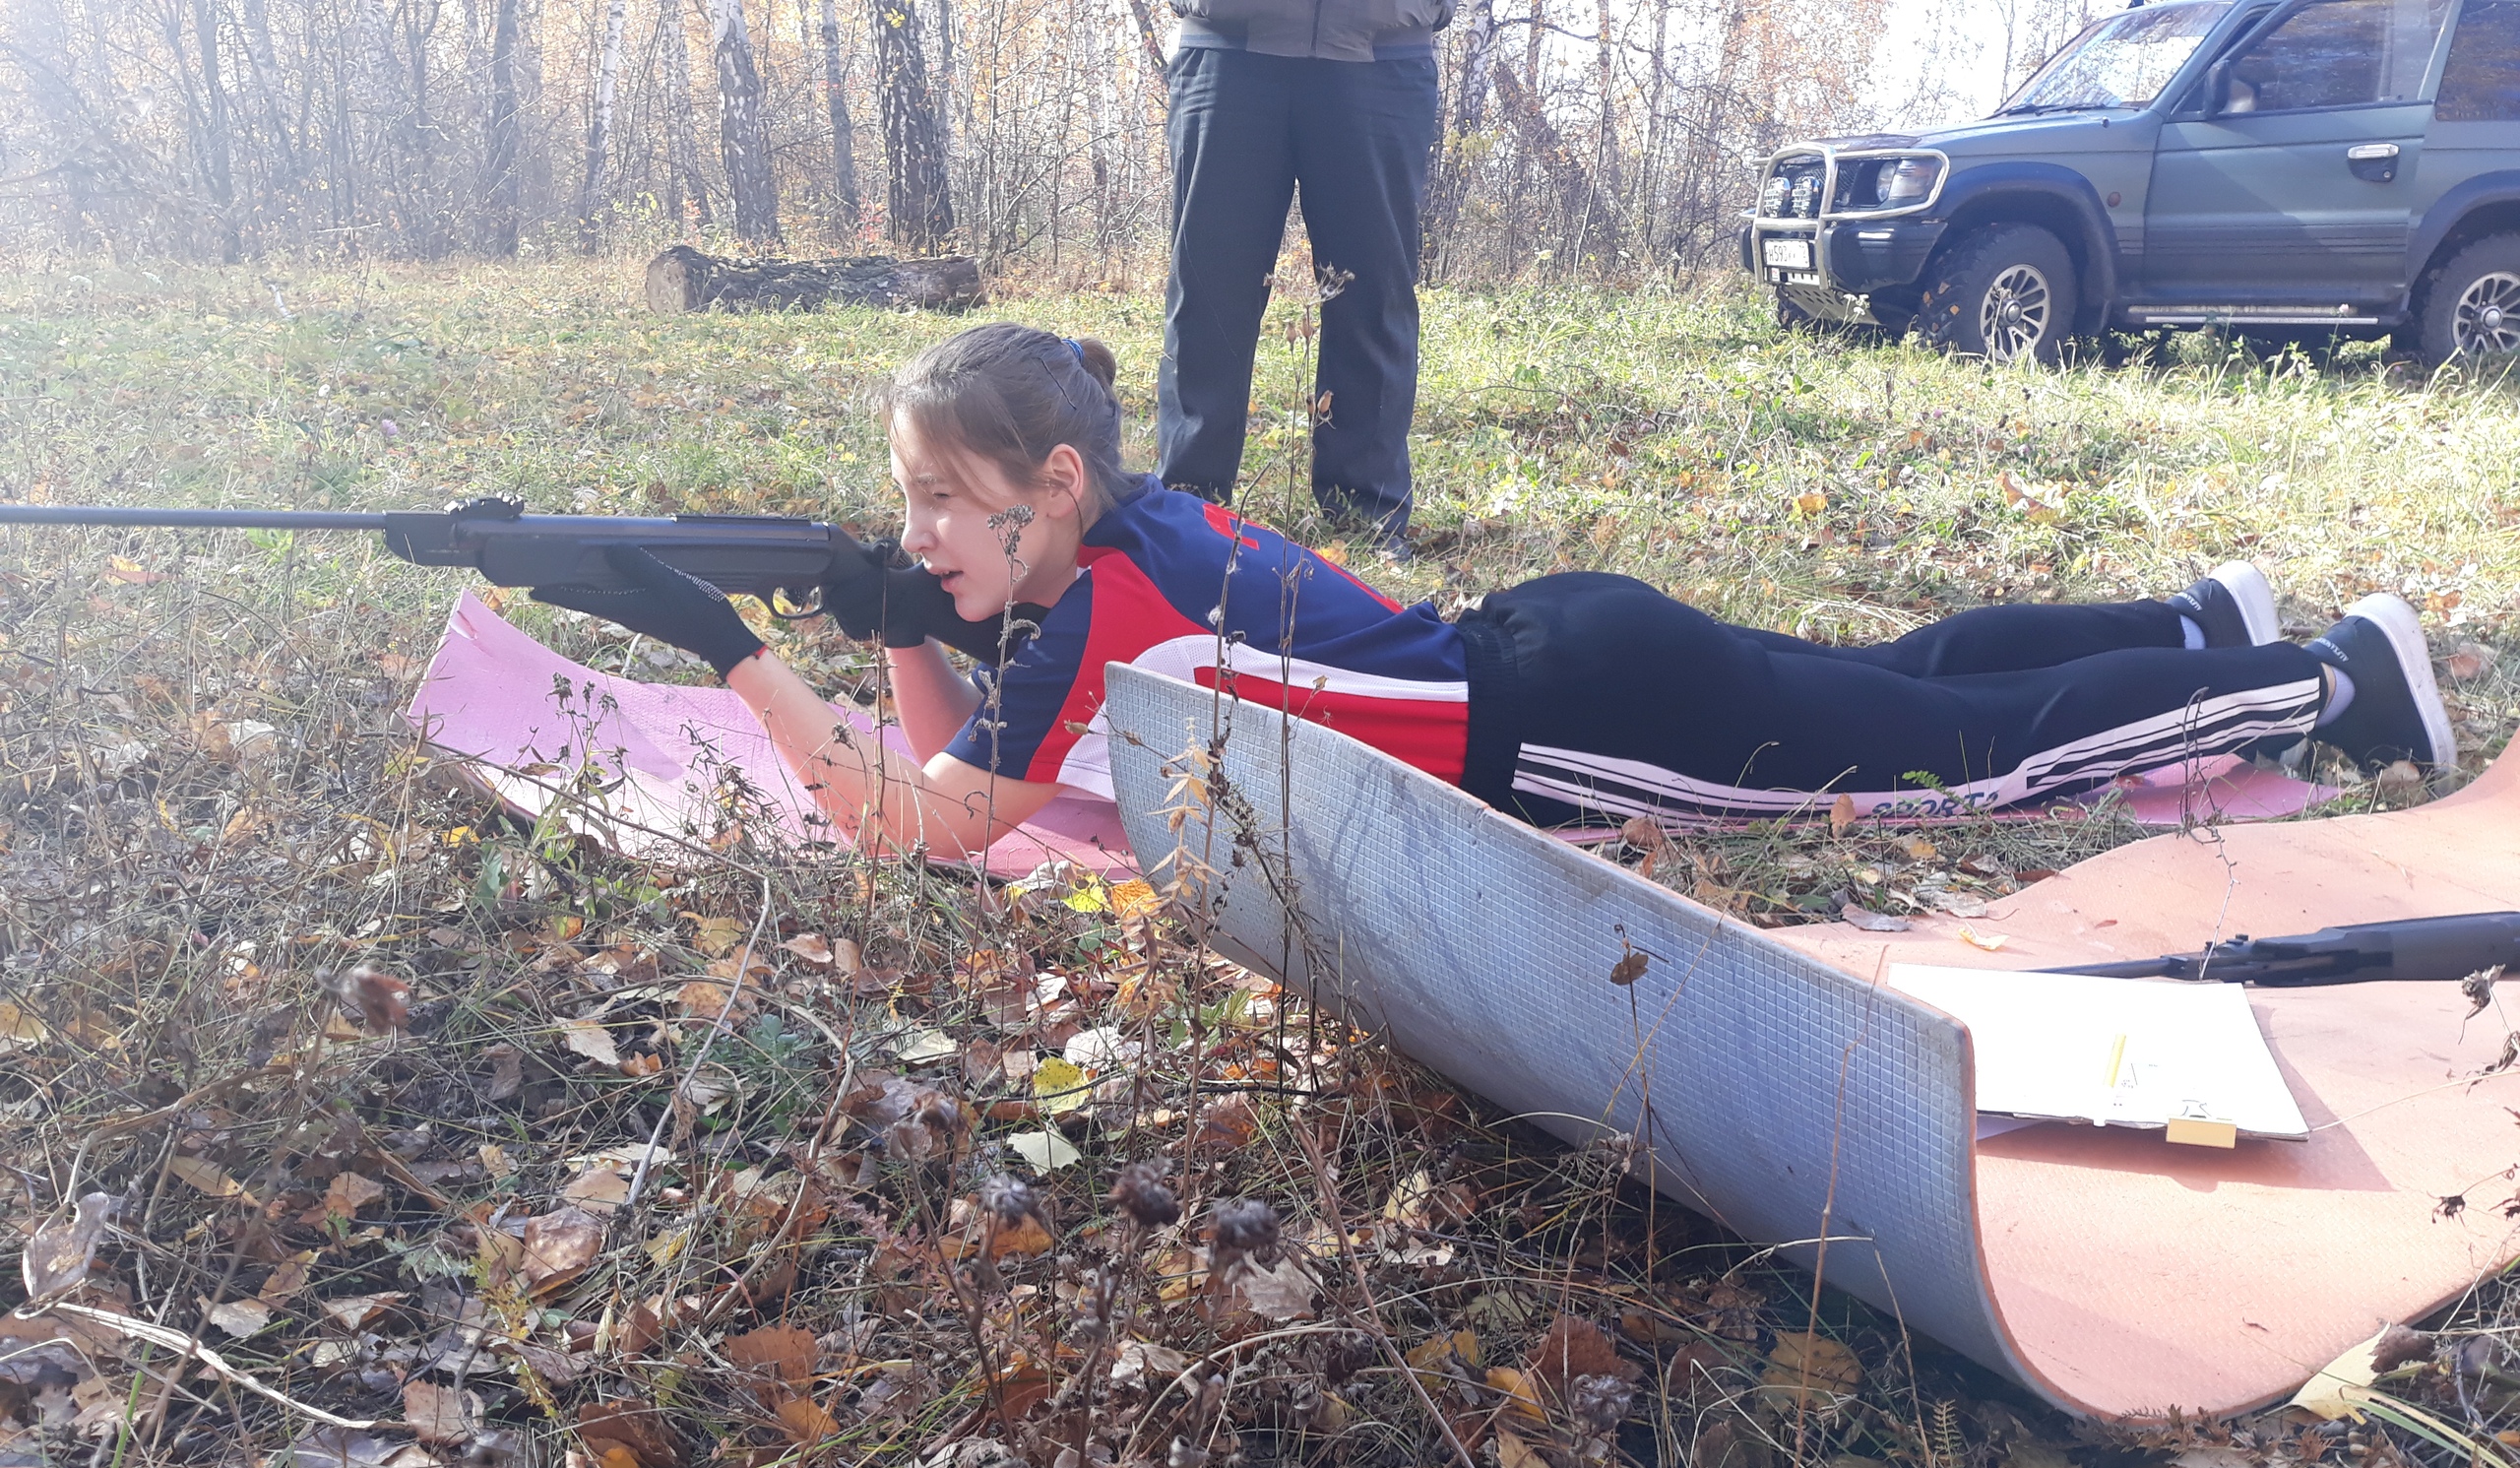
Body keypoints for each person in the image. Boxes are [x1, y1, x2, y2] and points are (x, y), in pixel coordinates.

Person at [531, 323, 2456, 860]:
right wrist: (897, 621)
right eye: (905, 506)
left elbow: (931, 824)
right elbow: (969, 748)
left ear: (1049, 487)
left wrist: (728, 649)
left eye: (947, 506)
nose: (926, 534)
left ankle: (2328, 681)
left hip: (1578, 726)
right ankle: (2192, 626)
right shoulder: (1136, 536)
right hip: (1563, 636)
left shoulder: (1096, 612)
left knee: (1964, 763)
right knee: (1899, 672)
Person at [1156, 0, 1450, 549]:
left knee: (1372, 297)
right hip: (1227, 45)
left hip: (1382, 52)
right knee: (1208, 293)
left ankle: (1365, 518)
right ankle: (1187, 511)